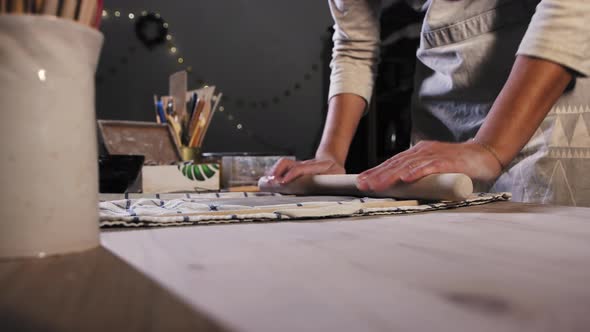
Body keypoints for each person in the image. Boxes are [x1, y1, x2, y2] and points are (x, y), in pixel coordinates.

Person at [269, 0, 590, 206]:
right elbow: (354, 41)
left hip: (543, 93)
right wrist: (330, 157)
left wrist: (491, 147)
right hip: (442, 100)